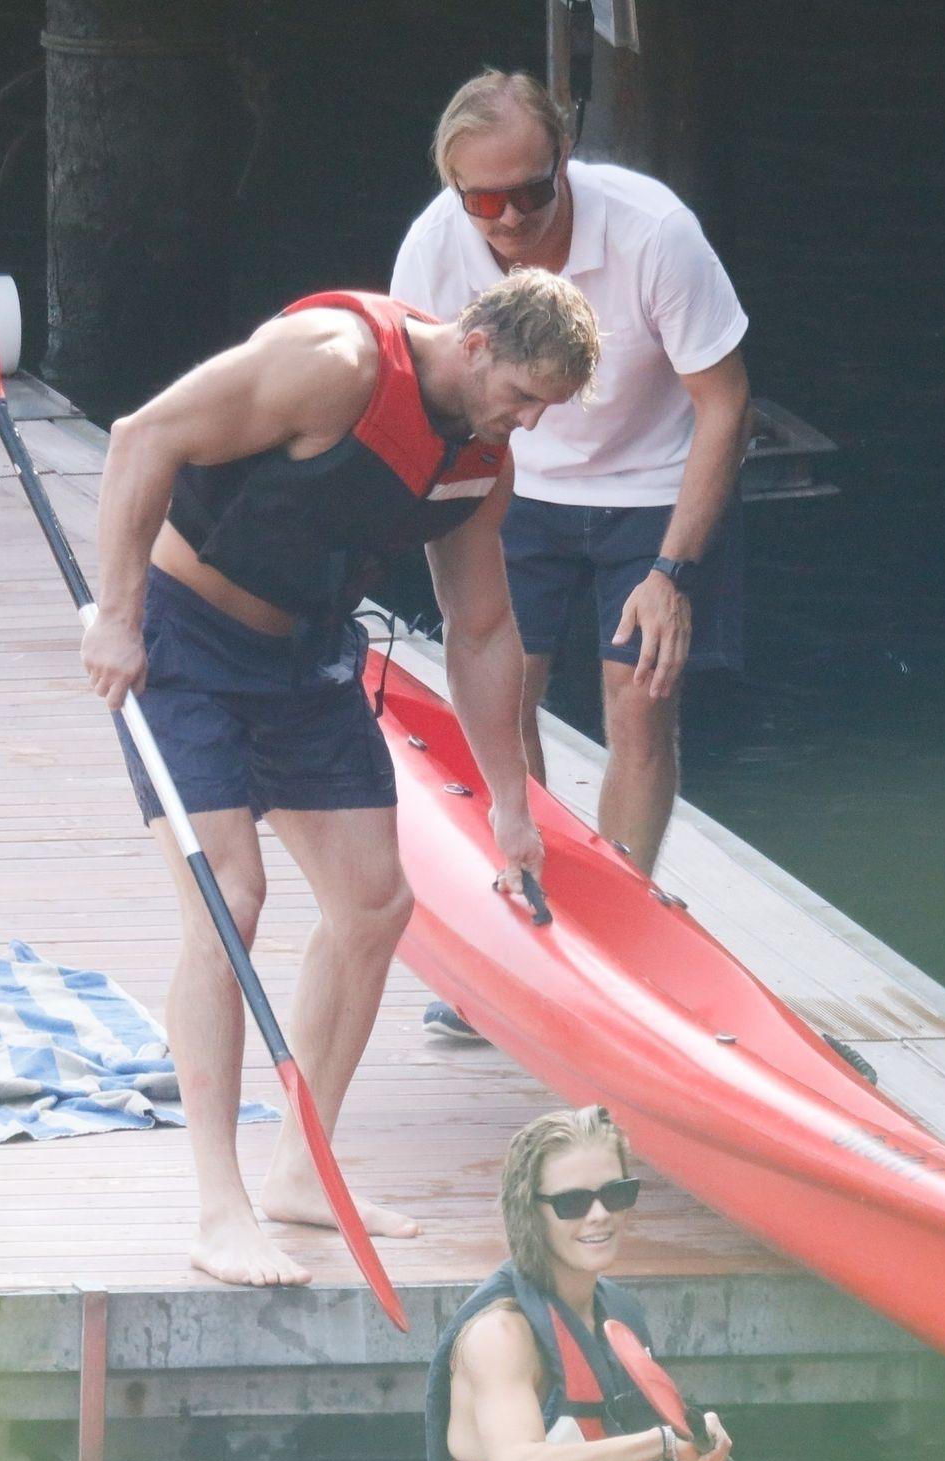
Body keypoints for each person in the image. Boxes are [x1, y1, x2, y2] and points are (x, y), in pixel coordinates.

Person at [80, 272, 600, 1289]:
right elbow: (142, 437)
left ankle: (298, 1170)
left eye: (547, 408)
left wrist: (510, 800)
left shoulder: (479, 460)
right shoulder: (333, 362)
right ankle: (220, 1208)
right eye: (523, 395)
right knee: (229, 901)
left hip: (307, 659)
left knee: (373, 903)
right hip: (185, 642)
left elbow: (481, 629)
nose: (528, 423)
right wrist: (116, 615)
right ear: (477, 342)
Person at [393, 70, 752, 903]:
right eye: (484, 201)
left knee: (638, 699)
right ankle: (531, 878)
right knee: (507, 692)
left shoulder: (654, 230)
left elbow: (726, 402)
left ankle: (622, 899)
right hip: (513, 477)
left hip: (654, 480)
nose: (510, 218)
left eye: (530, 191)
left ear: (564, 158)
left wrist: (672, 573)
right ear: (454, 188)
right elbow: (416, 395)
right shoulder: (433, 246)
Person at [417, 1105, 918, 1461]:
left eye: (616, 1194)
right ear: (530, 1212)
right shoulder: (501, 1335)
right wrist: (660, 1442)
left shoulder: (609, 1314)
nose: (600, 1215)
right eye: (573, 1202)